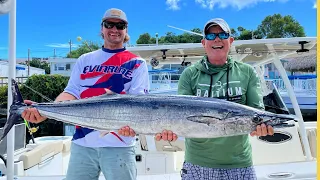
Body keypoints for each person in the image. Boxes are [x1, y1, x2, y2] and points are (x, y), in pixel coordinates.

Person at [21, 8, 149, 180]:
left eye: (120, 25)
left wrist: (135, 127)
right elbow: (71, 92)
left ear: (126, 30)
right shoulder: (85, 59)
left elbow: (138, 104)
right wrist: (44, 112)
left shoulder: (137, 63)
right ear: (102, 28)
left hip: (120, 145)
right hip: (82, 144)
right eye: (109, 24)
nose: (114, 29)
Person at [155, 18, 274, 180]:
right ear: (203, 42)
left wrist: (260, 128)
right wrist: (169, 131)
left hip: (239, 164)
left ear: (231, 41)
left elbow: (256, 114)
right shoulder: (189, 75)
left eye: (222, 34)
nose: (217, 39)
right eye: (211, 36)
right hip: (197, 164)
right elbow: (179, 117)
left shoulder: (248, 72)